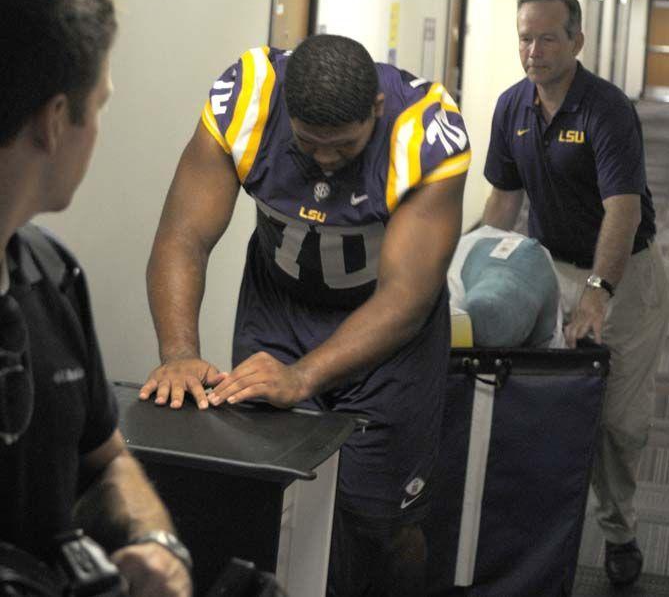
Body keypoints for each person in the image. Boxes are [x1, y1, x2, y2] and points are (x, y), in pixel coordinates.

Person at [139, 34, 470, 596]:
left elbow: (404, 299)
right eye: (308, 142)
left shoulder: (425, 132)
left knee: (380, 523)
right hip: (279, 313)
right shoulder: (248, 100)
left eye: (342, 147)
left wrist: (305, 376)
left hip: (388, 337)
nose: (323, 159)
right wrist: (179, 354)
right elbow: (183, 235)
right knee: (269, 500)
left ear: (377, 111)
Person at [0, 0, 192, 596]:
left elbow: (105, 458)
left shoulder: (50, 275)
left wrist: (154, 542)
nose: (100, 129)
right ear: (56, 121)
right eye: (99, 106)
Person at [482, 0, 669, 586]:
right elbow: (503, 200)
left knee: (617, 421)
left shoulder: (606, 109)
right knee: (541, 406)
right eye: (524, 37)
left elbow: (624, 211)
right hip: (548, 268)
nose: (533, 50)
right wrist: (470, 267)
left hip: (625, 278)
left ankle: (617, 530)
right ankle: (538, 529)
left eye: (547, 37)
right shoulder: (512, 107)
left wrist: (597, 291)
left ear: (577, 41)